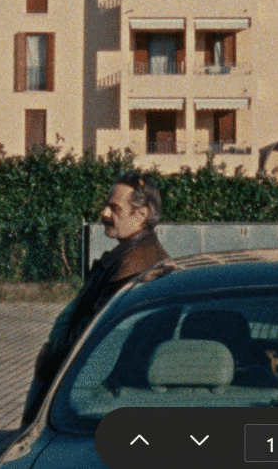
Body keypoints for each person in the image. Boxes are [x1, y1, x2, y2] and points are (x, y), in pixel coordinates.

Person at [21, 171, 170, 425]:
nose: (104, 213)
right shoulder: (134, 254)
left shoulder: (133, 264)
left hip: (85, 387)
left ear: (141, 214)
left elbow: (96, 333)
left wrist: (52, 361)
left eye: (115, 208)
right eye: (106, 205)